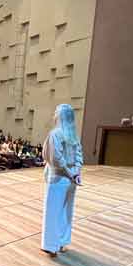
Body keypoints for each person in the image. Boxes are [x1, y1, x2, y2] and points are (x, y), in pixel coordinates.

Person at [41, 104, 83, 257]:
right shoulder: (74, 135)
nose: (54, 116)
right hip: (71, 179)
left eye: (56, 113)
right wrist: (76, 173)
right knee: (66, 212)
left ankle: (51, 245)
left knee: (53, 211)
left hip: (58, 177)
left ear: (60, 116)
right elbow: (79, 156)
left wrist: (70, 173)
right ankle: (63, 242)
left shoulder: (55, 134)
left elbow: (56, 158)